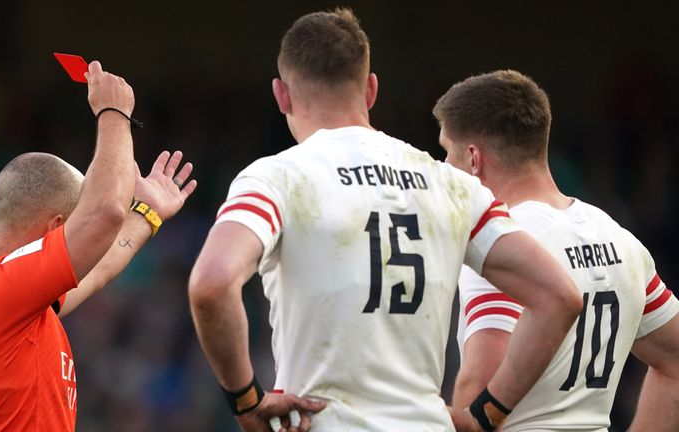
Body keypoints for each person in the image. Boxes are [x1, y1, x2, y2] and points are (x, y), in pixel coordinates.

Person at [189, 9, 581, 432]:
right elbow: (559, 296)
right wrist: (486, 415)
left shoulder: (278, 178)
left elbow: (211, 284)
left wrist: (247, 402)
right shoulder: (451, 184)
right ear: (371, 89)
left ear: (281, 95)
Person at [0, 61, 197, 431]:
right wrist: (113, 112)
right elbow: (103, 216)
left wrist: (147, 214)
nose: (80, 242)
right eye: (72, 228)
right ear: (56, 227)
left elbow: (95, 271)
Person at [433, 69, 679, 431]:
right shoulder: (620, 238)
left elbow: (478, 385)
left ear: (473, 159)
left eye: (446, 152)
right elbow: (674, 359)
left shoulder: (501, 249)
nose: (443, 168)